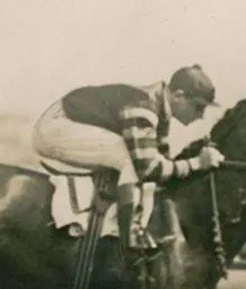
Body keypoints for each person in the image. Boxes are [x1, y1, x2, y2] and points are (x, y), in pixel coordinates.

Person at [33, 64, 226, 253]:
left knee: (132, 159)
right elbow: (149, 169)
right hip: (55, 126)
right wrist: (197, 163)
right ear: (179, 95)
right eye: (198, 107)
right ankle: (129, 237)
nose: (200, 116)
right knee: (130, 162)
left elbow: (163, 164)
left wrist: (190, 164)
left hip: (66, 121)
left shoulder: (160, 111)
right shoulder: (144, 107)